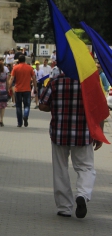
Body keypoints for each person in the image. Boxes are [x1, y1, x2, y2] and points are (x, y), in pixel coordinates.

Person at [39, 71, 104, 218]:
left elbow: (43, 105)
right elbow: (100, 108)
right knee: (86, 167)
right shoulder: (89, 82)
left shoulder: (55, 81)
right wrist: (99, 132)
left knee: (60, 169)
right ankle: (82, 194)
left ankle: (64, 208)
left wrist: (56, 105)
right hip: (83, 133)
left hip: (59, 133)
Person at [10, 54, 36, 127]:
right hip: (27, 89)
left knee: (18, 106)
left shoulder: (15, 68)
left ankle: (19, 122)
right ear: (25, 60)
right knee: (27, 105)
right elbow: (34, 78)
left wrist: (8, 87)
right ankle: (25, 115)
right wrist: (35, 88)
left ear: (18, 60)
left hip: (18, 89)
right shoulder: (30, 68)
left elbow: (11, 78)